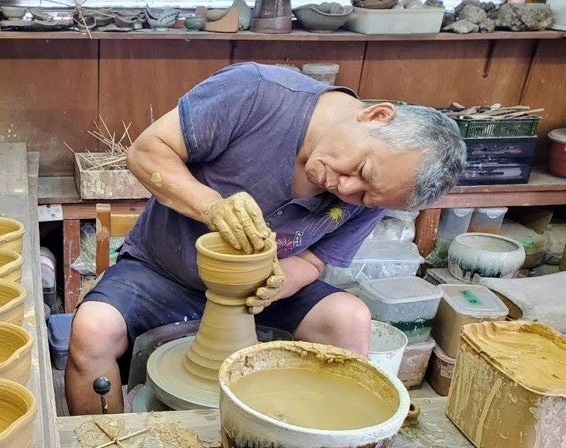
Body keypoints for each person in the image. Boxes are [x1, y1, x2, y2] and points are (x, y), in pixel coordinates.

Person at [66, 62, 466, 415]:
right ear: (376, 116)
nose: (347, 190)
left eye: (365, 197)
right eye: (360, 170)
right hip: (162, 270)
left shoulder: (376, 191)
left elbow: (313, 259)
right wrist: (211, 206)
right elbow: (146, 152)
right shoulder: (255, 92)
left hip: (259, 293)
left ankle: (308, 437)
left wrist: (280, 280)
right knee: (92, 330)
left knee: (349, 319)